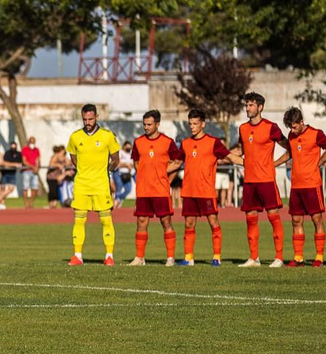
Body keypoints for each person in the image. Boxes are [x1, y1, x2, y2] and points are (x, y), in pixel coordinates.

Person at [226, 92, 290, 268]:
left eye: (251, 105)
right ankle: (254, 258)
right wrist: (223, 155)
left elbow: (289, 146)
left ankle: (279, 257)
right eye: (246, 105)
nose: (247, 108)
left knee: (273, 217)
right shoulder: (243, 129)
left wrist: (276, 163)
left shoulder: (271, 127)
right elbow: (241, 151)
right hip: (249, 181)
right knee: (250, 218)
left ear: (260, 107)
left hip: (267, 180)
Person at [66, 103, 121, 265]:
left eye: (90, 119)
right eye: (85, 119)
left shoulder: (107, 135)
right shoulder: (75, 136)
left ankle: (109, 256)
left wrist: (107, 171)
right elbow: (73, 157)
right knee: (79, 220)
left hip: (101, 184)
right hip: (82, 184)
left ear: (97, 117)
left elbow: (115, 159)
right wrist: (84, 171)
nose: (87, 122)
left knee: (105, 220)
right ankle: (77, 256)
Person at [128, 110, 182, 265]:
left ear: (157, 124)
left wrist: (166, 178)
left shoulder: (167, 141)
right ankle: (140, 258)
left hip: (161, 190)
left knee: (166, 222)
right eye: (144, 124)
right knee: (141, 222)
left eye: (149, 124)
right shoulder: (138, 142)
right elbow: (136, 163)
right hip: (144, 190)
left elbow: (177, 162)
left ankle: (170, 258)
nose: (146, 127)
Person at [178, 109, 229, 266]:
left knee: (213, 222)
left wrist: (244, 162)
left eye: (195, 124)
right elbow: (175, 163)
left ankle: (217, 257)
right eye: (190, 124)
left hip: (206, 191)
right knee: (188, 224)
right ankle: (188, 257)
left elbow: (228, 155)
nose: (192, 127)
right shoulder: (185, 144)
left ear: (203, 124)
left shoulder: (213, 142)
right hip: (189, 190)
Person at [282, 107, 326, 266]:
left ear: (301, 122)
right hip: (296, 185)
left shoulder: (316, 134)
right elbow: (290, 153)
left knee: (317, 219)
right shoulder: (291, 136)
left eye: (294, 126)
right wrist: (273, 164)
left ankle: (319, 257)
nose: (292, 130)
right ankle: (298, 257)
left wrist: (320, 162)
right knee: (296, 220)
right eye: (290, 127)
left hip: (312, 184)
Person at [20, 136, 43, 207]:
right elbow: (24, 161)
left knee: (35, 188)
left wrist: (38, 168)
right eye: (31, 142)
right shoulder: (24, 149)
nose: (32, 144)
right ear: (28, 142)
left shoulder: (36, 150)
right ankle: (26, 203)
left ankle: (31, 203)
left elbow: (38, 160)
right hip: (26, 171)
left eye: (33, 142)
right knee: (25, 188)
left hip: (34, 172)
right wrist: (33, 167)